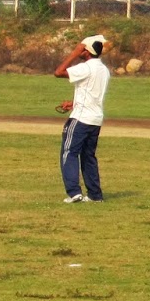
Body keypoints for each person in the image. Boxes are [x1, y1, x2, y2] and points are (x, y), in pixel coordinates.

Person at [55, 33, 111, 203]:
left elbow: (58, 72)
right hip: (95, 120)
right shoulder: (104, 70)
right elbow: (92, 93)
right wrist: (74, 102)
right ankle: (95, 195)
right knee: (89, 156)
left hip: (80, 119)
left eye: (81, 49)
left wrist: (74, 53)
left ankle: (74, 192)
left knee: (69, 153)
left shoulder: (86, 67)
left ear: (86, 51)